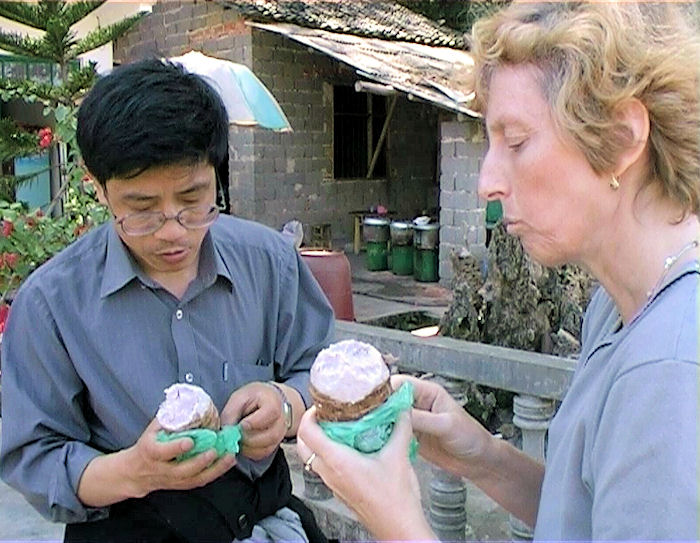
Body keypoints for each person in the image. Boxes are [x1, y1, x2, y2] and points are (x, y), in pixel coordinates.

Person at [296, 2, 700, 540]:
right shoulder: (619, 305)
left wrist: (395, 520)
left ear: (623, 138)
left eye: (516, 142)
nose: (487, 182)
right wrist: (481, 456)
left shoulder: (672, 368)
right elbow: (591, 515)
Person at [0, 59, 335, 543]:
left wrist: (288, 404)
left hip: (262, 514)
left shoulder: (270, 262)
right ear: (98, 186)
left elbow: (321, 372)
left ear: (216, 173)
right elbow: (34, 455)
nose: (173, 230)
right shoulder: (51, 304)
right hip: (129, 527)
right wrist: (136, 471)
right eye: (142, 209)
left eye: (193, 199)